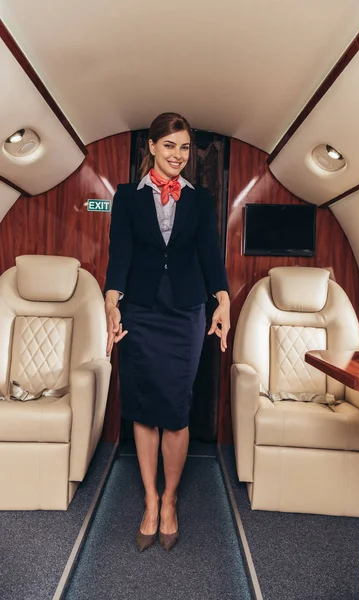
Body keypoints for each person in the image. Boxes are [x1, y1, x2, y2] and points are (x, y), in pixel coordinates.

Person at [104, 112, 230, 552]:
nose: (178, 155)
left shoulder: (200, 199)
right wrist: (111, 300)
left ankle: (172, 500)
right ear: (152, 148)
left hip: (185, 311)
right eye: (170, 145)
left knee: (176, 408)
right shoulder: (126, 197)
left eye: (185, 147)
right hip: (139, 310)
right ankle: (151, 501)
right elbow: (119, 251)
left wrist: (224, 300)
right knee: (142, 407)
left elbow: (210, 255)